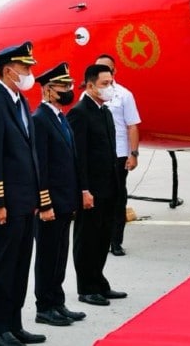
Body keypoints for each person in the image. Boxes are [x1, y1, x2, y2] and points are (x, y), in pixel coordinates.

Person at [0, 41, 47, 346]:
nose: (30, 73)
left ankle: (15, 325)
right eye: (25, 67)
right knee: (2, 267)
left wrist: (36, 199)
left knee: (20, 267)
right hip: (5, 206)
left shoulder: (19, 102)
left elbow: (28, 155)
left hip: (24, 203)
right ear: (8, 70)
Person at [31, 62, 86, 327]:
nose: (68, 90)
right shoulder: (39, 119)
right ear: (48, 90)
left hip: (65, 201)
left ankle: (58, 302)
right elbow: (40, 166)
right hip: (50, 204)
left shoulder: (60, 116)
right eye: (63, 86)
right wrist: (45, 203)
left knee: (60, 255)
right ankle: (44, 307)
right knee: (47, 256)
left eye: (70, 85)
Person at [67, 64, 127, 306]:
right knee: (87, 238)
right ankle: (86, 287)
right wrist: (83, 190)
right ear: (90, 86)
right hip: (90, 189)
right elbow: (78, 156)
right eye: (104, 84)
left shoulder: (105, 112)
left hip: (109, 187)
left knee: (103, 237)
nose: (109, 88)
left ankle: (99, 282)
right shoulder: (80, 113)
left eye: (111, 83)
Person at [94, 54, 141, 256]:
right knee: (98, 200)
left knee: (117, 198)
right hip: (97, 155)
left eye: (107, 69)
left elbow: (132, 126)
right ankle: (99, 240)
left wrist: (134, 153)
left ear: (114, 72)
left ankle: (116, 241)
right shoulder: (88, 95)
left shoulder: (124, 95)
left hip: (119, 155)